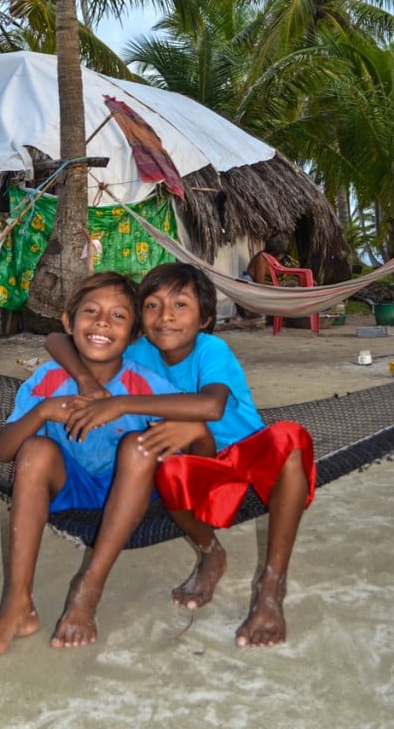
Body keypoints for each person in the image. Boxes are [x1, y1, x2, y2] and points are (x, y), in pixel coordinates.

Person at [45, 262, 316, 648]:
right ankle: (210, 554)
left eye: (181, 305)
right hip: (192, 465)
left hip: (245, 460)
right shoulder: (139, 348)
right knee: (160, 463)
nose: (165, 316)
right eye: (152, 306)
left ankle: (271, 587)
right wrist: (87, 380)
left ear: (205, 317)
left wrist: (122, 404)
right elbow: (57, 339)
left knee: (289, 438)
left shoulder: (212, 349)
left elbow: (212, 406)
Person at [0, 270, 214, 662]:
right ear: (69, 322)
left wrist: (192, 430)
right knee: (34, 450)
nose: (101, 322)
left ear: (133, 335)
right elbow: (4, 451)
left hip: (136, 493)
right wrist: (45, 411)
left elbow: (205, 456)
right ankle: (17, 604)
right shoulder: (48, 379)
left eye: (118, 316)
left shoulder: (145, 384)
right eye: (91, 312)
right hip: (72, 487)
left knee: (138, 444)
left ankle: (89, 586)